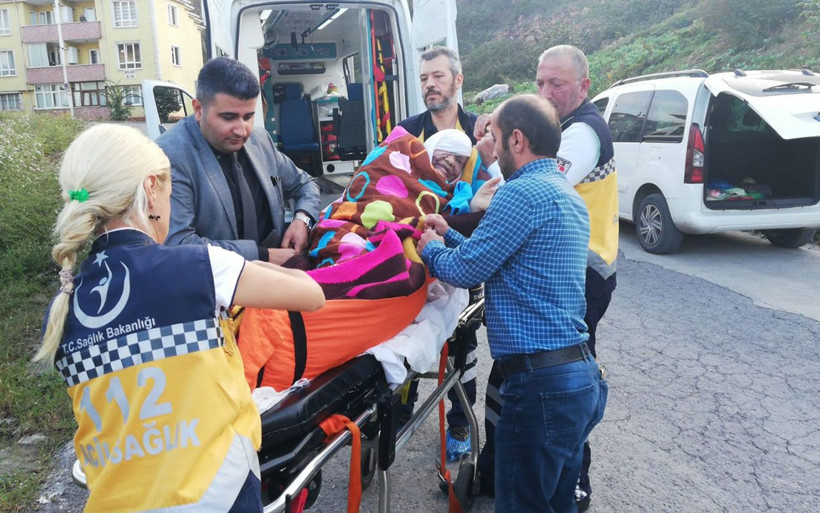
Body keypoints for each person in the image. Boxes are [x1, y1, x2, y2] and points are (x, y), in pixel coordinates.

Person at [34, 124, 325, 512]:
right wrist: (253, 263)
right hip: (215, 491)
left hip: (117, 500)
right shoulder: (200, 266)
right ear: (152, 188)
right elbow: (312, 295)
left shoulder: (66, 304)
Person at [418, 94, 608, 512]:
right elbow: (497, 253)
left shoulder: (519, 194)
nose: (491, 147)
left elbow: (466, 271)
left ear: (517, 140)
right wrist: (448, 231)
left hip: (540, 388)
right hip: (577, 380)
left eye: (495, 137)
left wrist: (429, 246)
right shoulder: (564, 193)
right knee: (557, 504)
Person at [474, 45, 618, 509]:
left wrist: (431, 243)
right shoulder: (559, 188)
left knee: (533, 474)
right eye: (539, 83)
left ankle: (543, 481)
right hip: (577, 368)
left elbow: (471, 264)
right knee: (553, 466)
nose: (546, 91)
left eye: (555, 83)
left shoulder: (580, 138)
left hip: (581, 289)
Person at [396, 46, 491, 462]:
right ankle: (395, 419)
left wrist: (457, 222)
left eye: (437, 76)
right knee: (403, 345)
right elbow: (390, 193)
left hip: (465, 255)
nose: (429, 84)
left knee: (461, 348)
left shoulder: (484, 135)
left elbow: (495, 205)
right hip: (412, 260)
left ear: (458, 80)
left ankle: (459, 425)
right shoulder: (404, 133)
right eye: (423, 78)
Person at [158, 57, 321, 265]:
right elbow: (178, 244)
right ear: (198, 110)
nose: (241, 130)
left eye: (248, 117)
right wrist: (263, 256)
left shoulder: (260, 140)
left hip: (279, 269)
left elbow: (306, 184)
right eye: (228, 117)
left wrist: (302, 220)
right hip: (217, 286)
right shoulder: (169, 156)